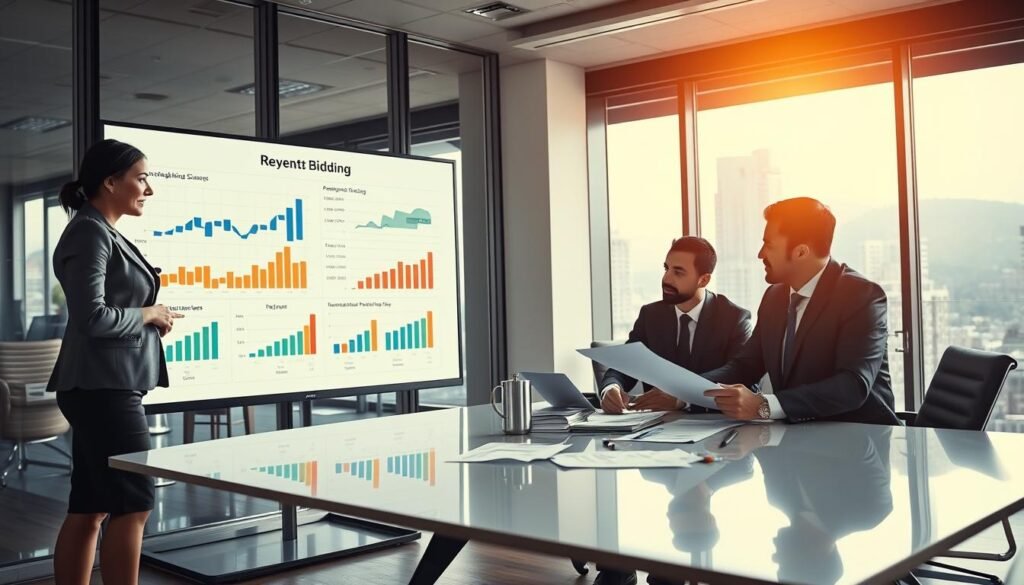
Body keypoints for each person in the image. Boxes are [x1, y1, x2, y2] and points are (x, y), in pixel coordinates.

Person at [47, 139, 181, 585]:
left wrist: (147, 318)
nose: (149, 188)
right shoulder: (90, 231)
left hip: (100, 387)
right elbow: (93, 317)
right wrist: (148, 313)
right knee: (134, 503)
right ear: (110, 181)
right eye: (141, 177)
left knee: (90, 506)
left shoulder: (100, 230)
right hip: (103, 390)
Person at [703, 197, 899, 425]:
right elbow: (746, 365)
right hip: (795, 438)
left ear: (801, 252)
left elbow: (852, 385)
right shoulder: (774, 296)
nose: (760, 254)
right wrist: (685, 393)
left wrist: (764, 406)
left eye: (769, 245)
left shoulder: (861, 296)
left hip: (858, 441)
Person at [600, 236, 752, 415]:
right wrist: (610, 388)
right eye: (666, 268)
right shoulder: (650, 316)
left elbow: (744, 380)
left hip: (714, 426)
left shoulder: (734, 319)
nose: (666, 278)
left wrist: (683, 399)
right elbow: (625, 366)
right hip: (656, 430)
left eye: (678, 272)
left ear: (703, 280)